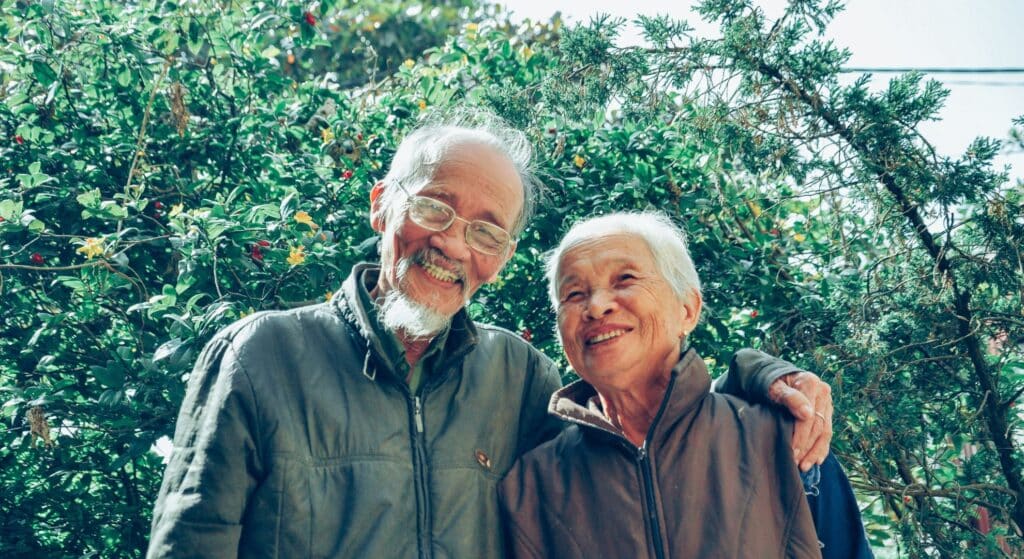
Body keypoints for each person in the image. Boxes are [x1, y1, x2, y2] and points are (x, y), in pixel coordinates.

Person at [147, 111, 835, 558]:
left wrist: (759, 377)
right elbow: (190, 543)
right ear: (382, 206)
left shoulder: (520, 376)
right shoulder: (262, 356)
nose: (452, 243)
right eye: (433, 207)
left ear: (501, 257)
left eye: (485, 230)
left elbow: (649, 434)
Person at [498, 211, 873, 558]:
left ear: (688, 310)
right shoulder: (531, 486)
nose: (596, 307)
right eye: (574, 294)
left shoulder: (783, 438)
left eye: (625, 279)